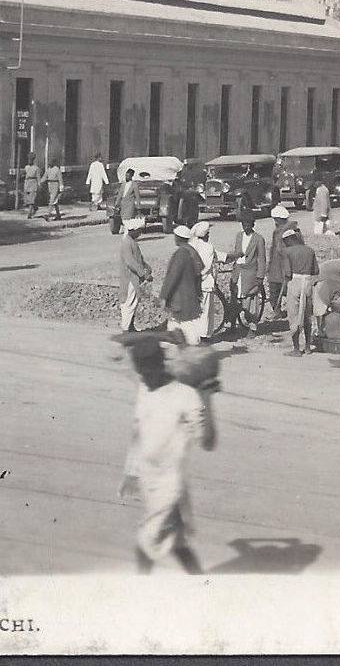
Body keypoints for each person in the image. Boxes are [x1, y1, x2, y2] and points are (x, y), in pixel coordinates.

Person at [118, 336, 216, 574]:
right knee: (176, 545)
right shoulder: (145, 387)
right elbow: (138, 433)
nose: (144, 378)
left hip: (171, 486)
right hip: (149, 481)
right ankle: (202, 587)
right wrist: (130, 472)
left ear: (159, 365)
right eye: (140, 373)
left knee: (147, 543)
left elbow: (207, 442)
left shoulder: (185, 396)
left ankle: (138, 595)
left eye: (147, 372)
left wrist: (206, 398)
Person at [159, 225, 204, 344]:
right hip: (191, 295)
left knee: (182, 324)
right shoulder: (192, 251)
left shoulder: (180, 254)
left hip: (180, 297)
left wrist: (164, 296)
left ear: (178, 238)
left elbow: (172, 277)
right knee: (184, 324)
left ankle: (191, 348)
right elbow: (199, 273)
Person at [280, 229, 319, 355]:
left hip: (295, 283)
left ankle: (296, 349)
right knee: (307, 316)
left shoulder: (288, 251)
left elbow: (287, 273)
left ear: (289, 240)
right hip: (307, 283)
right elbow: (316, 271)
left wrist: (284, 288)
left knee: (294, 316)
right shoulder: (309, 250)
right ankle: (307, 347)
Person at [225, 210, 267, 306]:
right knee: (235, 293)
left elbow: (261, 259)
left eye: (248, 225)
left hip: (250, 271)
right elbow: (236, 252)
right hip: (238, 269)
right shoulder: (239, 236)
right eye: (244, 225)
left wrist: (260, 276)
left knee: (247, 295)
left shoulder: (258, 239)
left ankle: (248, 315)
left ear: (252, 225)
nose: (246, 227)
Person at [118, 217, 152, 331]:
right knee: (128, 303)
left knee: (134, 302)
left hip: (135, 278)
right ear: (133, 230)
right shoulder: (126, 242)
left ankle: (130, 326)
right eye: (139, 231)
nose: (140, 233)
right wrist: (143, 274)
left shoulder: (132, 242)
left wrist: (147, 267)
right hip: (129, 279)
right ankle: (126, 329)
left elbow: (139, 259)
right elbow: (130, 262)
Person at [189, 221, 218, 340]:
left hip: (192, 283)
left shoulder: (192, 245)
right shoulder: (208, 247)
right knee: (206, 311)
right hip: (204, 283)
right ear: (205, 234)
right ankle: (204, 336)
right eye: (208, 233)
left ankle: (195, 336)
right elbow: (206, 267)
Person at [264, 205, 294, 316]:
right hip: (275, 265)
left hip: (285, 265)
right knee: (274, 289)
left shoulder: (289, 232)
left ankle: (286, 310)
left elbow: (288, 251)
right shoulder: (276, 232)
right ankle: (277, 310)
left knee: (287, 289)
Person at [21, 154, 42, 218]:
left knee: (32, 199)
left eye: (31, 160)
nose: (29, 161)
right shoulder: (26, 167)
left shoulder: (36, 168)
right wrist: (22, 175)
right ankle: (35, 207)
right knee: (27, 200)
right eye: (29, 160)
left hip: (33, 183)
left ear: (33, 160)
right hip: (27, 183)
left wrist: (39, 185)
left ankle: (29, 214)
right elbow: (23, 174)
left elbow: (38, 177)